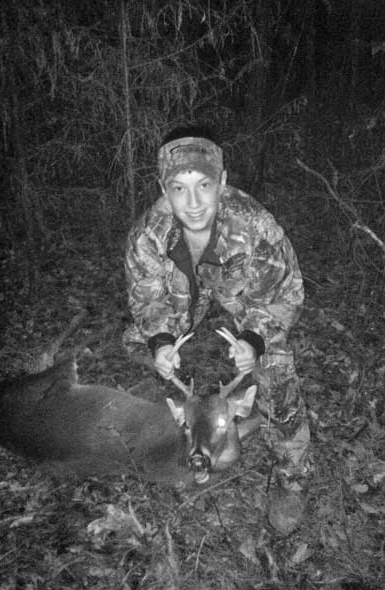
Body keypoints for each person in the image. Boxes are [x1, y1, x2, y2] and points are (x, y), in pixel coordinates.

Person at [123, 124, 312, 534]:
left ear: (222, 182)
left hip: (239, 295)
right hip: (185, 296)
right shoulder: (147, 237)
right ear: (163, 187)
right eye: (178, 187)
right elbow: (147, 300)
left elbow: (287, 295)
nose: (192, 202)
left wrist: (253, 339)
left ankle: (292, 477)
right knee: (135, 341)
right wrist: (160, 342)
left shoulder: (256, 228)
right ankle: (184, 406)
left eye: (204, 184)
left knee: (274, 366)